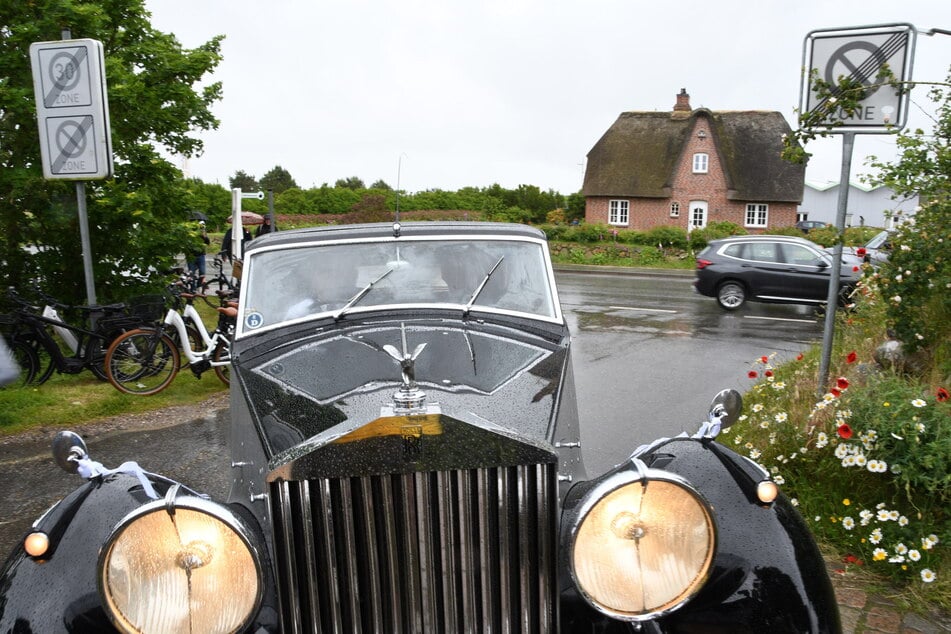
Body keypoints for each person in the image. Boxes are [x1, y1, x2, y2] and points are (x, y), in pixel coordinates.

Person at [186, 221, 210, 288]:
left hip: (201, 255)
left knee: (202, 272)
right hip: (191, 255)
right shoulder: (190, 233)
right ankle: (193, 289)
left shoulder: (203, 234)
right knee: (191, 273)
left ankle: (198, 286)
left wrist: (204, 236)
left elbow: (208, 243)